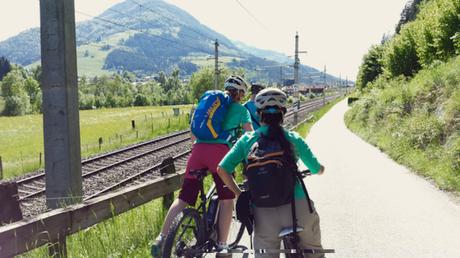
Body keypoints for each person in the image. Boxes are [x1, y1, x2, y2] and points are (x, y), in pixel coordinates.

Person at [151, 75, 253, 257]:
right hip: (220, 154)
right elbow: (249, 137)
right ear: (239, 93)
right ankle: (222, 246)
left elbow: (193, 131)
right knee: (227, 198)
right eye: (243, 94)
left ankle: (161, 238)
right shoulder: (240, 110)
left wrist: (199, 149)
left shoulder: (209, 104)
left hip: (197, 152)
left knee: (183, 198)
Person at [217, 87, 326, 258]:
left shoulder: (247, 140)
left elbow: (222, 169)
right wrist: (320, 169)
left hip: (263, 211)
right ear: (283, 112)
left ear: (259, 113)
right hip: (296, 208)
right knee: (314, 252)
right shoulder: (293, 138)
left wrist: (240, 194)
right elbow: (315, 168)